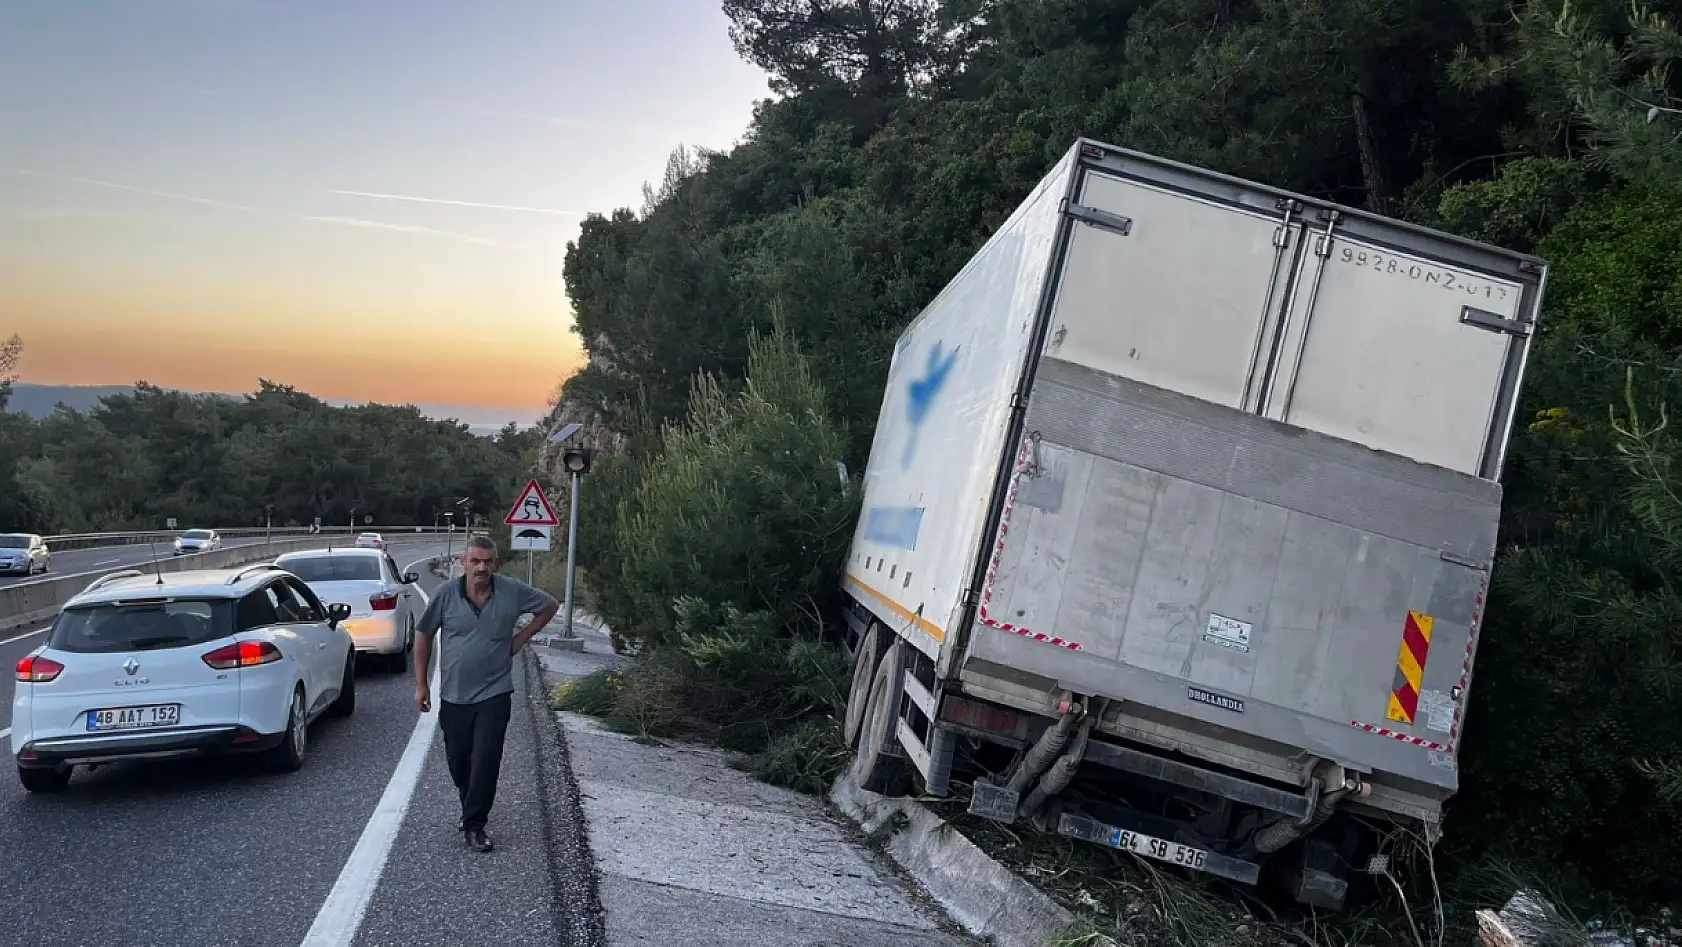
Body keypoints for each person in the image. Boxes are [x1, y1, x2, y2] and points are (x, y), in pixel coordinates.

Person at [414, 533, 560, 852]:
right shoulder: (445, 595)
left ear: (496, 563)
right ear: (463, 562)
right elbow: (424, 634)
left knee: (486, 759)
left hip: (495, 691)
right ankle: (470, 804)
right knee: (459, 760)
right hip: (454, 695)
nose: (481, 567)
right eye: (475, 561)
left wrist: (521, 639)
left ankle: (476, 824)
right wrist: (422, 684)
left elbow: (550, 606)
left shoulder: (511, 591)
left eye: (487, 561)